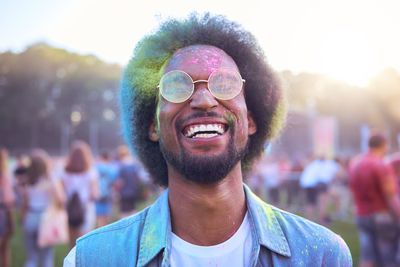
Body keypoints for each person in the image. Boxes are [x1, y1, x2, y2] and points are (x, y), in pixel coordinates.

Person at [64, 13, 352, 266]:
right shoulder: (90, 259)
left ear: (251, 120)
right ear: (152, 127)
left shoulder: (324, 256)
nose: (203, 100)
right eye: (177, 85)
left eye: (224, 84)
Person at [349, 133, 400, 267]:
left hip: (361, 215)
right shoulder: (380, 165)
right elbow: (390, 196)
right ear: (384, 145)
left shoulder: (355, 162)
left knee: (367, 257)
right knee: (388, 259)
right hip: (381, 216)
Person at [21, 149, 64, 267]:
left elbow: (25, 203)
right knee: (46, 258)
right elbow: (61, 198)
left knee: (31, 258)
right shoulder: (49, 179)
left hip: (30, 216)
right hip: (46, 218)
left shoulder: (27, 180)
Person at [61, 141, 99, 248]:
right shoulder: (91, 173)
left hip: (69, 209)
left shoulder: (64, 173)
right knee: (83, 243)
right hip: (85, 209)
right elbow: (94, 195)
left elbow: (62, 193)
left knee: (72, 244)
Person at [0, 148, 15, 267]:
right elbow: (8, 201)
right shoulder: (4, 178)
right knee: (4, 249)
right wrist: (12, 223)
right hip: (2, 215)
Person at [94, 151, 118, 227]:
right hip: (107, 194)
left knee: (99, 216)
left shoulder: (95, 167)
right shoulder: (111, 168)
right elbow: (114, 182)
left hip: (97, 193)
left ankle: (99, 229)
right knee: (106, 215)